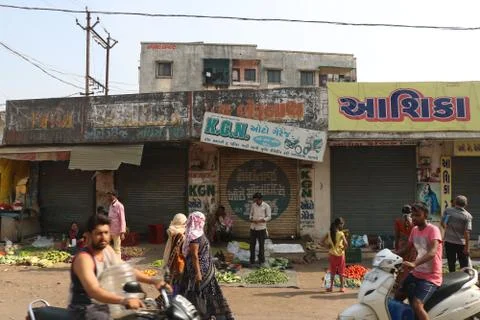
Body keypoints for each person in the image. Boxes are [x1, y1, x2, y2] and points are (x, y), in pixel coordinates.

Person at [68, 214, 168, 320]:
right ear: (88, 235)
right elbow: (94, 290)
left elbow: (126, 270)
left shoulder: (107, 250)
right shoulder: (84, 259)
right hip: (84, 309)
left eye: (106, 233)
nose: (103, 237)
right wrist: (124, 300)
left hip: (103, 305)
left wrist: (154, 281)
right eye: (98, 233)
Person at [182, 211, 235, 320]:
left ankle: (213, 313)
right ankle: (204, 314)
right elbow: (194, 256)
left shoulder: (198, 233)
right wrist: (198, 273)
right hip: (201, 271)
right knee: (202, 293)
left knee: (210, 292)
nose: (203, 222)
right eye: (202, 220)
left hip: (206, 269)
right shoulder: (194, 236)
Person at [395, 202, 443, 320]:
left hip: (431, 276)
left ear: (425, 215)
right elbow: (407, 248)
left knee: (417, 305)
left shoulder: (433, 230)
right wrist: (391, 255)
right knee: (397, 296)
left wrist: (414, 263)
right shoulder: (415, 230)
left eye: (417, 215)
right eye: (413, 215)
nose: (414, 218)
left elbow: (432, 252)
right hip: (416, 272)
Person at [443, 195, 473, 272]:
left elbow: (443, 224)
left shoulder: (448, 211)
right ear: (466, 204)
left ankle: (452, 280)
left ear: (455, 202)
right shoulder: (468, 216)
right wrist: (467, 247)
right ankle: (464, 280)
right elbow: (467, 232)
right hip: (461, 244)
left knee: (451, 263)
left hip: (449, 242)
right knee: (464, 265)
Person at [162, 213, 187, 295]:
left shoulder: (172, 230)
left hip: (169, 261)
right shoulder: (180, 234)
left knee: (170, 284)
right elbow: (177, 253)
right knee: (175, 285)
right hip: (176, 265)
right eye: (184, 222)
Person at [322, 217, 348, 293]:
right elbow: (346, 244)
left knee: (332, 271)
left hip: (332, 255)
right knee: (341, 271)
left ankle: (331, 287)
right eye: (342, 224)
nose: (343, 226)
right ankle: (342, 287)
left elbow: (321, 242)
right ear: (339, 224)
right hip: (340, 255)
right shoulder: (341, 233)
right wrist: (343, 249)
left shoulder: (329, 233)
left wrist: (328, 246)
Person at [394, 205, 416, 288]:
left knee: (401, 264)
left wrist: (396, 247)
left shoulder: (398, 221)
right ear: (411, 212)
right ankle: (410, 283)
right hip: (411, 245)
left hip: (402, 245)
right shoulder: (414, 221)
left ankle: (399, 283)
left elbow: (396, 236)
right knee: (411, 264)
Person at [249, 192, 272, 266]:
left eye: (257, 200)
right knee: (252, 244)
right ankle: (252, 259)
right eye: (255, 200)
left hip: (262, 228)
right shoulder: (253, 205)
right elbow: (250, 215)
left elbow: (269, 217)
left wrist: (262, 220)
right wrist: (252, 219)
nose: (256, 201)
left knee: (261, 245)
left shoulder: (266, 206)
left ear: (261, 199)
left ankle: (261, 260)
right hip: (253, 227)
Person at [107, 190, 126, 255]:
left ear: (114, 196)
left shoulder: (119, 206)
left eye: (110, 196)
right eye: (108, 196)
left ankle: (117, 263)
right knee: (107, 247)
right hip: (110, 230)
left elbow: (122, 219)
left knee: (117, 248)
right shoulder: (110, 205)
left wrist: (122, 232)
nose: (108, 197)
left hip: (117, 231)